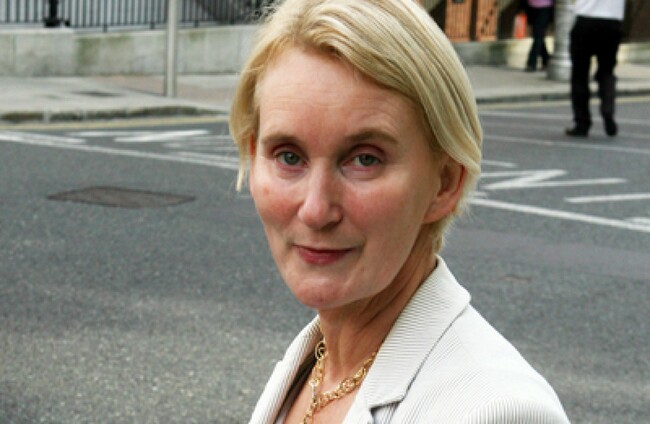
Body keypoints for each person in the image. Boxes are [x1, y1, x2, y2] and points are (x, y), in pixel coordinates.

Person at [230, 0, 571, 422]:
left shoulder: (497, 410)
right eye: (288, 156)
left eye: (365, 159)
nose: (316, 210)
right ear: (253, 156)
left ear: (444, 183)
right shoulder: (319, 361)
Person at [566, 0, 626, 137]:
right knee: (607, 71)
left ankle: (582, 123)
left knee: (579, 75)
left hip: (585, 20)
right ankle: (608, 110)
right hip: (612, 22)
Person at [522, 0, 554, 72]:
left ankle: (531, 63)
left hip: (545, 7)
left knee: (538, 35)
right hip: (531, 7)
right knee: (538, 36)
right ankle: (546, 60)